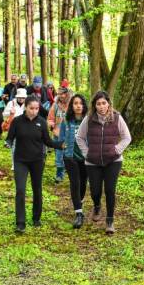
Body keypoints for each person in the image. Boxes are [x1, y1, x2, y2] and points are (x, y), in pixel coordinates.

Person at [76, 91, 132, 234]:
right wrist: (86, 152)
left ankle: (109, 220)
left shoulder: (117, 118)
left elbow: (127, 137)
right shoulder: (89, 119)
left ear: (108, 104)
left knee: (110, 190)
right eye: (98, 104)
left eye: (104, 103)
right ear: (94, 106)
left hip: (113, 161)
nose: (101, 106)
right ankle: (96, 206)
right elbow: (79, 137)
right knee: (95, 190)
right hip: (92, 161)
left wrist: (116, 150)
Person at [5, 96, 63, 232]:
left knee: (37, 189)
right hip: (20, 160)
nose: (34, 111)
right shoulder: (17, 122)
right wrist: (7, 143)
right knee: (20, 190)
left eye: (37, 108)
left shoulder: (42, 123)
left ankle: (36, 218)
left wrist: (61, 145)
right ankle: (20, 222)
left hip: (37, 160)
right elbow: (9, 138)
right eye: (31, 108)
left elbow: (47, 141)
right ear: (26, 107)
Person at [58, 94, 88, 228]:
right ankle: (79, 213)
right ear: (72, 106)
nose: (78, 106)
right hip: (70, 157)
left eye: (81, 103)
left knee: (82, 184)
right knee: (74, 183)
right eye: (75, 103)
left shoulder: (88, 121)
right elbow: (61, 139)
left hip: (85, 157)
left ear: (84, 106)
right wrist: (60, 158)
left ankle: (79, 203)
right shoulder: (66, 121)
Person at [48, 86, 71, 183]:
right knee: (59, 155)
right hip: (58, 135)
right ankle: (59, 175)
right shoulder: (55, 105)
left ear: (67, 94)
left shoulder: (72, 104)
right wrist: (51, 124)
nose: (61, 96)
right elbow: (50, 118)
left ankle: (71, 173)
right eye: (59, 94)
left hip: (70, 135)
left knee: (70, 155)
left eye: (63, 93)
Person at [3, 88, 28, 167]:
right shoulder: (11, 103)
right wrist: (10, 112)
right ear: (17, 97)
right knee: (14, 145)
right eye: (20, 97)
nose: (21, 99)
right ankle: (14, 164)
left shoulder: (28, 104)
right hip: (14, 127)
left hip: (25, 127)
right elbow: (4, 114)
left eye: (23, 98)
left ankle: (24, 162)